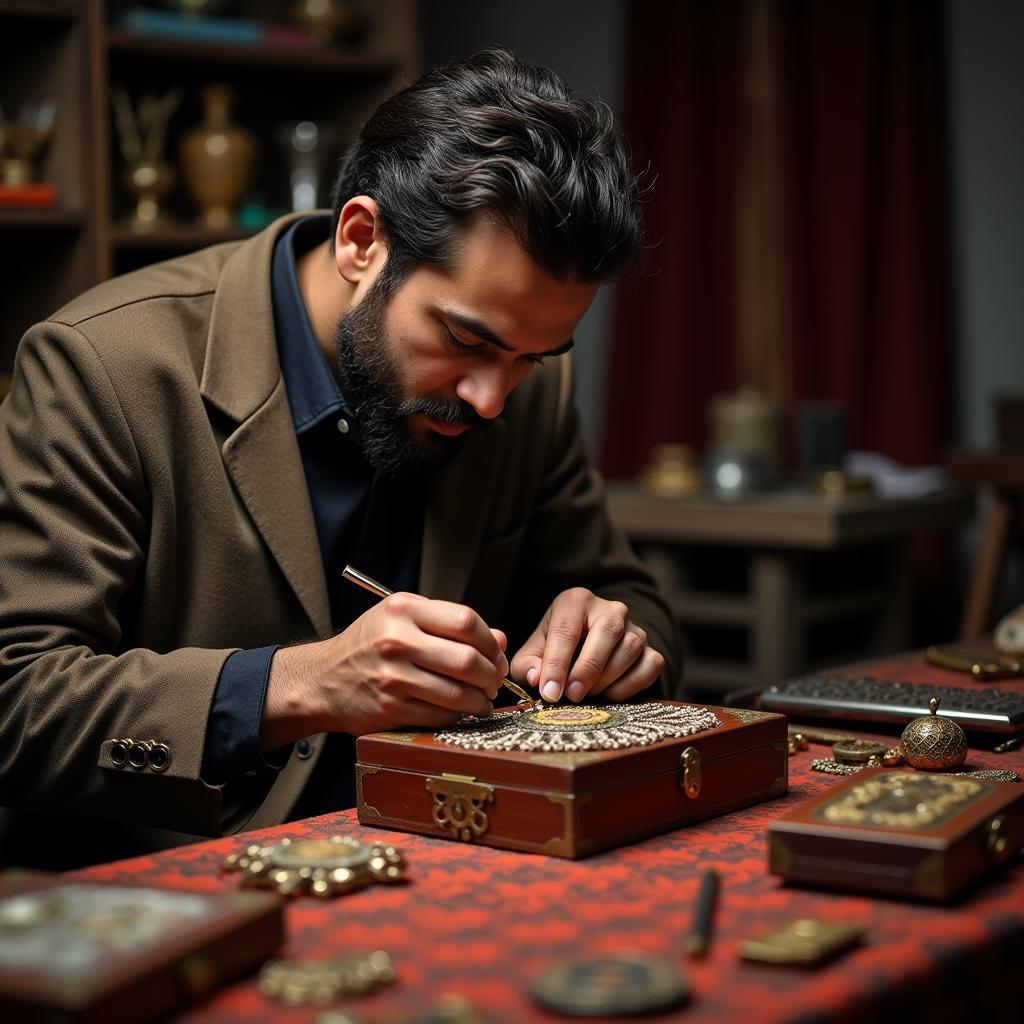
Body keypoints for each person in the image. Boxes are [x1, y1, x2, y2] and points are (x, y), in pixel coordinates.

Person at [0, 48, 679, 855]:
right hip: (178, 886)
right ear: (362, 240)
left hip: (456, 851)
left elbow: (633, 599)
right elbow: (16, 700)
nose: (493, 398)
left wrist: (613, 637)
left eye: (535, 357)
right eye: (464, 338)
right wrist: (295, 686)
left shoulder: (521, 391)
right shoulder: (107, 364)